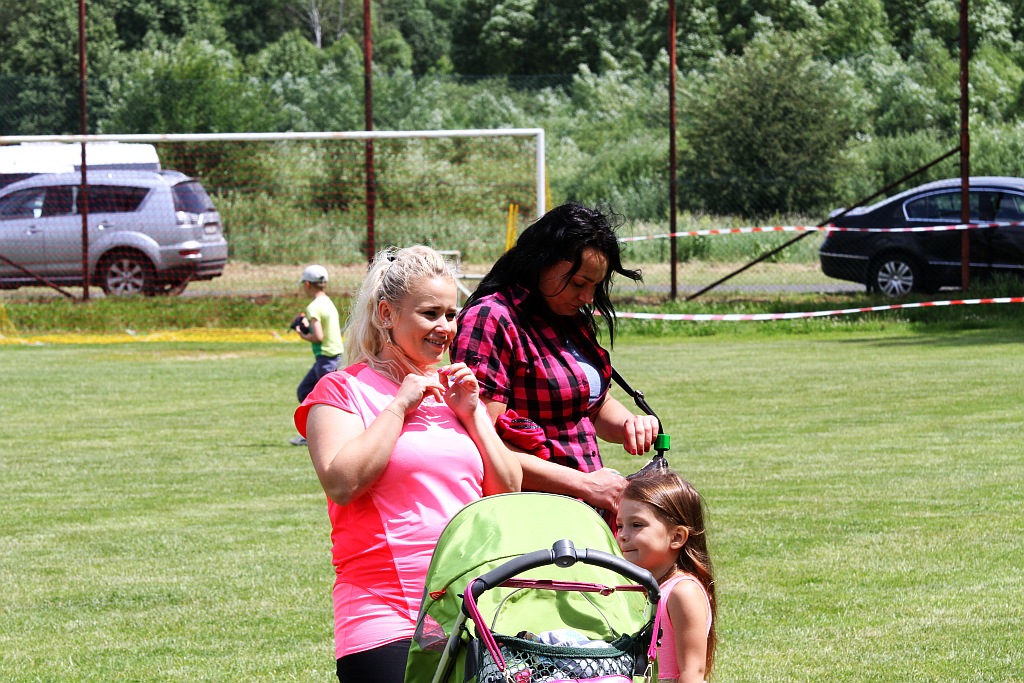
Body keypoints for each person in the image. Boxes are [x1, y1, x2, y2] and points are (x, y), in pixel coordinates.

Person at [293, 245, 522, 683]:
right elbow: (342, 483)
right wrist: (398, 407)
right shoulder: (340, 391)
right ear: (386, 313)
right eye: (430, 313)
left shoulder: (456, 392)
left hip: (468, 610)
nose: (445, 327)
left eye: (451, 314)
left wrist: (473, 414)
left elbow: (507, 490)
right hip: (383, 614)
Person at [449, 201, 660, 513]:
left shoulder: (569, 317)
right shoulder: (491, 319)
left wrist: (630, 423)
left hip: (583, 510)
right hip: (531, 513)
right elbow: (483, 444)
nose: (587, 297)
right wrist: (584, 484)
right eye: (578, 283)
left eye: (594, 285)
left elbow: (593, 405)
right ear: (542, 261)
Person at [615, 471, 717, 683]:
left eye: (637, 525)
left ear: (677, 536)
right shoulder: (640, 588)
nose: (623, 535)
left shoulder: (683, 592)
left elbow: (693, 672)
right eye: (620, 526)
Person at [290, 264, 344, 446]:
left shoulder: (313, 307)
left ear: (307, 284)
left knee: (329, 401)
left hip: (326, 359)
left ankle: (326, 436)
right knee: (304, 391)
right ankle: (311, 433)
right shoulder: (328, 302)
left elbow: (318, 336)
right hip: (333, 357)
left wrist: (302, 333)